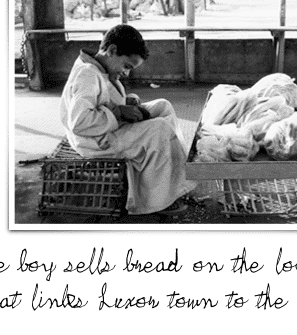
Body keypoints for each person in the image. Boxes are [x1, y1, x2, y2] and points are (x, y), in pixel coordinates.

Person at [60, 24, 196, 215]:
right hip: (96, 141)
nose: (127, 73)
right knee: (160, 130)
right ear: (112, 50)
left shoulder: (98, 67)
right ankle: (158, 200)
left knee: (162, 106)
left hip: (106, 129)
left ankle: (173, 179)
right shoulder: (88, 74)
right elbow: (80, 122)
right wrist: (119, 111)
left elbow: (101, 99)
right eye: (126, 66)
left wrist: (125, 102)